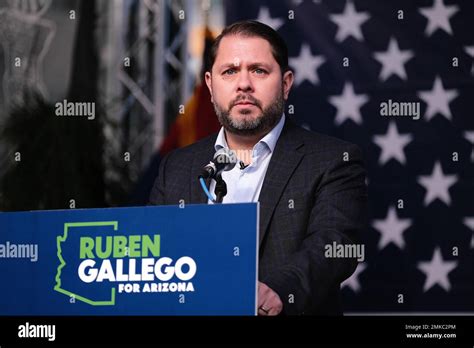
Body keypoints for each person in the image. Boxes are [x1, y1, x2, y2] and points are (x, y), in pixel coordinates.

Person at [149, 20, 368, 315]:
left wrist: (279, 289)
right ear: (211, 86)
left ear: (286, 83)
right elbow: (153, 253)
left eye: (259, 70)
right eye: (229, 71)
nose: (243, 84)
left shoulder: (333, 160)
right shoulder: (176, 167)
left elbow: (332, 246)